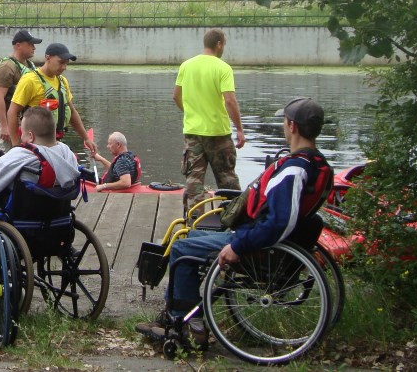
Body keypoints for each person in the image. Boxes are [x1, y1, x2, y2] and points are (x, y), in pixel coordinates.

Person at [135, 97, 334, 347]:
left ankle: (184, 324)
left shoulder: (294, 170)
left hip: (260, 247)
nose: (284, 126)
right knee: (192, 236)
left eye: (284, 122)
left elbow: (279, 222)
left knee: (181, 249)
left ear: (292, 126)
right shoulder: (318, 164)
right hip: (271, 242)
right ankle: (173, 314)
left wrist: (238, 246)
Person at [174, 28, 246, 214]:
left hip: (192, 133)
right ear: (219, 44)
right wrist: (239, 128)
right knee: (227, 179)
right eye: (224, 45)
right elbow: (229, 100)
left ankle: (193, 220)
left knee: (194, 181)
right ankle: (234, 218)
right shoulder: (222, 68)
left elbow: (176, 97)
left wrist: (190, 111)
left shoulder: (186, 66)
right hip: (218, 134)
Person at [6, 42, 98, 156]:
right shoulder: (30, 80)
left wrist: (86, 138)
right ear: (48, 58)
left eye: (66, 64)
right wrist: (16, 145)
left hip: (55, 142)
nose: (64, 67)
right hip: (34, 143)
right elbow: (12, 112)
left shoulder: (62, 81)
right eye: (61, 63)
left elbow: (72, 112)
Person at [0, 29, 42, 144]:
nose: (34, 48)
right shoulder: (7, 66)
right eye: (30, 44)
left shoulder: (30, 65)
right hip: (14, 124)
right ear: (18, 45)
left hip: (29, 122)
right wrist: (4, 126)